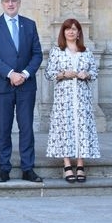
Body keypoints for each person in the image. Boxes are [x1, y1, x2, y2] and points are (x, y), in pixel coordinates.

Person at [0, 0, 44, 183]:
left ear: (19, 2)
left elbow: (37, 54)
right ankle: (4, 168)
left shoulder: (29, 25)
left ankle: (28, 168)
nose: (10, 4)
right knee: (4, 128)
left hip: (26, 85)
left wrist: (24, 74)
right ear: (1, 3)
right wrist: (10, 74)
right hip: (2, 85)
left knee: (26, 127)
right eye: (7, 1)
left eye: (14, 1)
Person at [44, 18, 100, 183]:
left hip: (82, 97)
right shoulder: (57, 51)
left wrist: (86, 75)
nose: (71, 32)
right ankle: (67, 164)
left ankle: (81, 164)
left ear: (79, 33)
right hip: (64, 97)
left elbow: (94, 73)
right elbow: (49, 73)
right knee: (65, 128)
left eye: (74, 29)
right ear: (63, 32)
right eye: (68, 29)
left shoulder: (86, 51)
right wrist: (63, 74)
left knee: (82, 127)